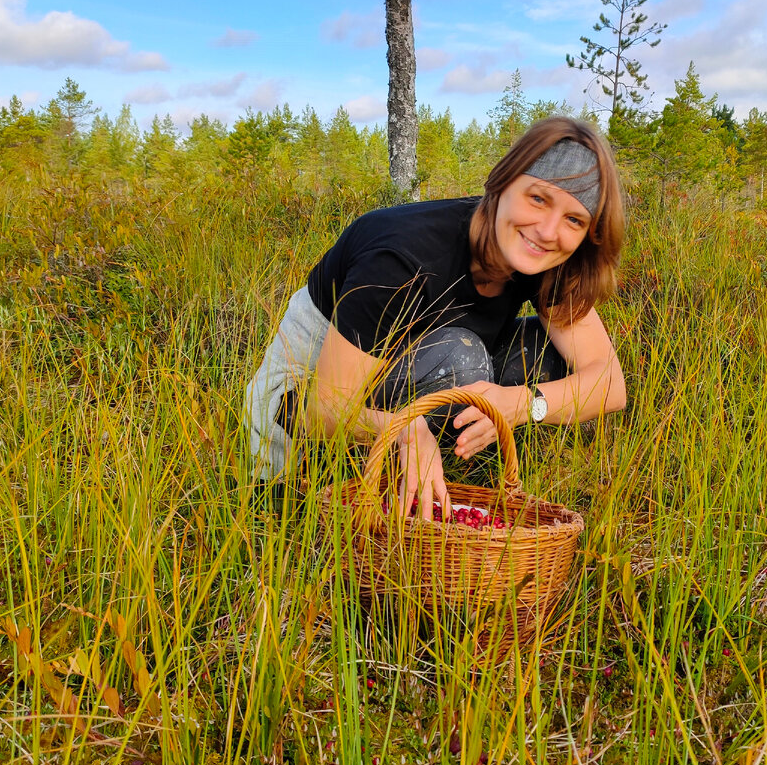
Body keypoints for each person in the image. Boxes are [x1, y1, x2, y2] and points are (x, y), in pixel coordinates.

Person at [244, 116, 627, 516]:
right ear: (503, 181)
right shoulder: (401, 255)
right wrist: (405, 430)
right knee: (461, 359)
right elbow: (321, 408)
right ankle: (363, 480)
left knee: (544, 355)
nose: (548, 231)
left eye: (574, 220)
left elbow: (609, 382)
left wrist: (521, 404)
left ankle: (424, 476)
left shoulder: (549, 261)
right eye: (538, 198)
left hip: (407, 374)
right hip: (295, 407)